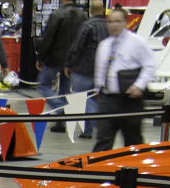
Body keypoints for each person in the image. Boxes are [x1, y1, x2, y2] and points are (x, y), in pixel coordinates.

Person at [92, 7, 156, 152]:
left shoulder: (137, 42)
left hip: (129, 101)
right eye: (110, 22)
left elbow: (150, 65)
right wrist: (98, 89)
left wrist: (139, 85)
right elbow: (100, 70)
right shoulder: (104, 45)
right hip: (107, 100)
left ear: (125, 22)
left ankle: (135, 170)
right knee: (103, 139)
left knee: (133, 141)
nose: (113, 25)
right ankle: (97, 172)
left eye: (117, 21)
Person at [36, 0, 85, 132]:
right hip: (71, 60)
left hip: (55, 58)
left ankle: (60, 110)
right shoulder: (82, 16)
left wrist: (41, 57)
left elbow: (48, 37)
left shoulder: (57, 14)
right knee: (65, 88)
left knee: (44, 84)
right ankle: (61, 121)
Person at [65, 0, 108, 139]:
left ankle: (94, 127)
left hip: (84, 69)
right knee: (94, 100)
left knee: (84, 99)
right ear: (102, 10)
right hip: (101, 71)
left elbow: (77, 46)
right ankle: (89, 130)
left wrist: (69, 64)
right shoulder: (108, 26)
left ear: (90, 10)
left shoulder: (87, 25)